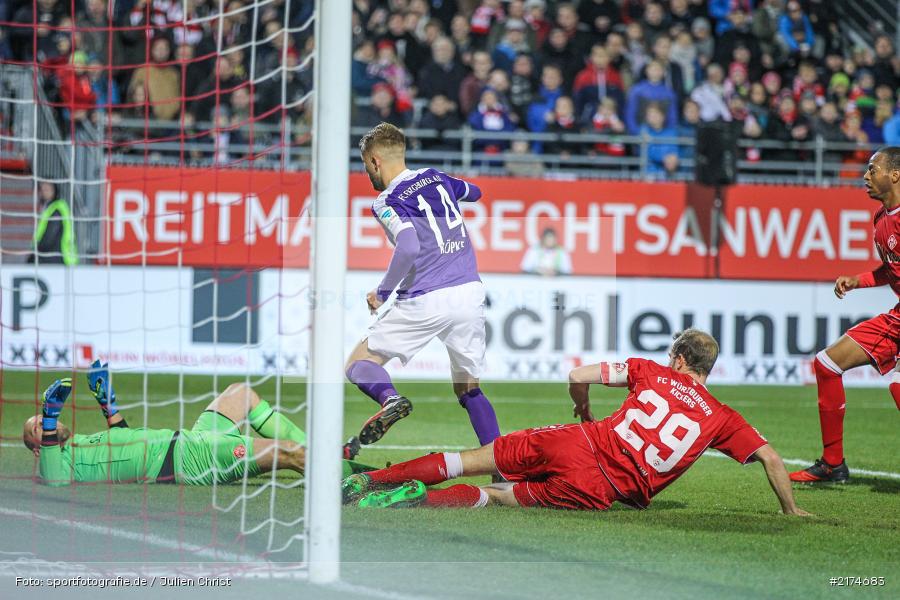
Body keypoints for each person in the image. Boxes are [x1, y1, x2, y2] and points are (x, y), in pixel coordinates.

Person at [342, 329, 810, 517]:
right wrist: (790, 510)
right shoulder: (722, 418)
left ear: (682, 358)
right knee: (498, 495)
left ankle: (372, 481)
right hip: (600, 489)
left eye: (673, 353)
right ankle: (419, 501)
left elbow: (576, 375)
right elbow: (769, 457)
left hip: (577, 441)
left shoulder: (651, 371)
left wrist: (583, 409)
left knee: (470, 461)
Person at [346, 123, 500, 448]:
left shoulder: (386, 200)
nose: (368, 173)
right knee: (469, 387)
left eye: (365, 166)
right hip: (469, 292)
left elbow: (409, 245)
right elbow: (475, 192)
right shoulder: (437, 177)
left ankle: (389, 400)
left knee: (359, 364)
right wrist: (448, 189)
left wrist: (383, 293)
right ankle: (500, 466)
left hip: (426, 297)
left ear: (375, 161)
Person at [26, 362, 371, 487]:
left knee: (241, 394)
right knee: (289, 454)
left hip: (190, 440)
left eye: (42, 417)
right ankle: (359, 481)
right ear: (39, 447)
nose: (43, 421)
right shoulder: (58, 465)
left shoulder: (83, 443)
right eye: (37, 426)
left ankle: (328, 454)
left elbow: (124, 438)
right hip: (187, 462)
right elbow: (54, 479)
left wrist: (107, 402)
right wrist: (53, 415)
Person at [790, 147, 900, 484]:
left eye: (872, 169)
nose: (865, 176)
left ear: (894, 174)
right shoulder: (881, 220)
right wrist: (858, 281)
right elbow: (891, 269)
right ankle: (832, 464)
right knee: (827, 363)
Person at [31, 181, 78, 266]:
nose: (45, 192)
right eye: (43, 189)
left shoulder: (56, 209)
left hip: (55, 257)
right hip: (53, 256)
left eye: (48, 189)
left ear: (55, 190)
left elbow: (50, 236)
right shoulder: (49, 208)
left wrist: (37, 249)